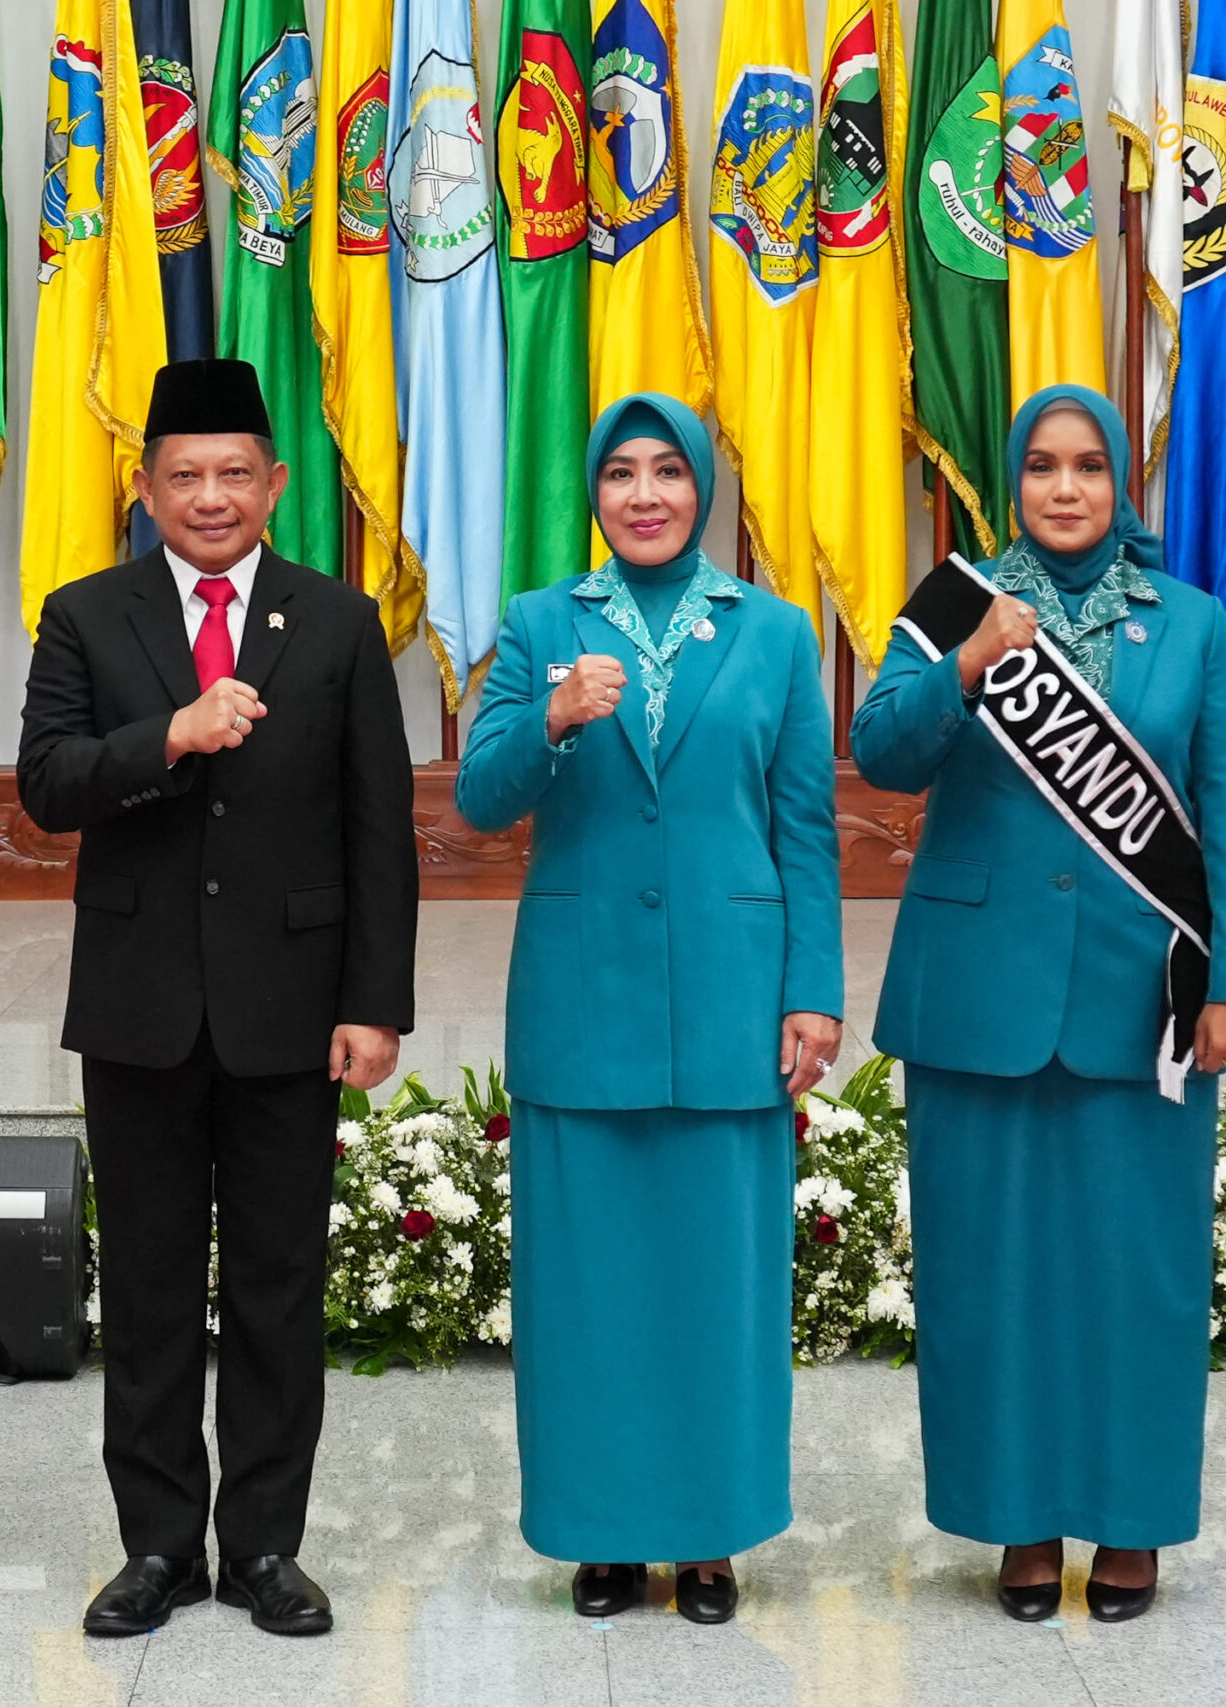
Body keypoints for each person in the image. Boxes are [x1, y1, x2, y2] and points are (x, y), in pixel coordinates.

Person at [851, 384, 1226, 1624]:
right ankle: (1019, 1526)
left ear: (1116, 482)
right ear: (1011, 482)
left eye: (1088, 465)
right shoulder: (952, 608)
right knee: (988, 1275)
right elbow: (882, 754)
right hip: (976, 995)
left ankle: (1130, 1523)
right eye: (1041, 466)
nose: (1067, 488)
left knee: (1134, 1274)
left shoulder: (1190, 626)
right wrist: (966, 673)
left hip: (1141, 1003)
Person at [17, 357, 418, 1639]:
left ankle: (261, 1549)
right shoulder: (86, 613)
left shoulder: (339, 620)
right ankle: (154, 1552)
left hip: (292, 1009)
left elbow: (379, 830)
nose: (209, 497)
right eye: (182, 475)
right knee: (141, 1290)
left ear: (275, 482)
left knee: (275, 1286)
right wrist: (169, 739)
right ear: (144, 487)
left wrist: (375, 1002)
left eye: (233, 473)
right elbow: (47, 783)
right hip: (138, 1007)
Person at [455, 392, 843, 1626]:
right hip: (582, 1006)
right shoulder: (537, 627)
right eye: (619, 473)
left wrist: (813, 997)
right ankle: (601, 1538)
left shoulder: (775, 634)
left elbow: (804, 830)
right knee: (588, 1291)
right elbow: (479, 795)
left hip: (733, 1002)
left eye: (666, 472)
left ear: (701, 491)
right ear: (593, 493)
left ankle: (713, 1536)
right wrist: (555, 721)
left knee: (720, 1288)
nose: (643, 494)